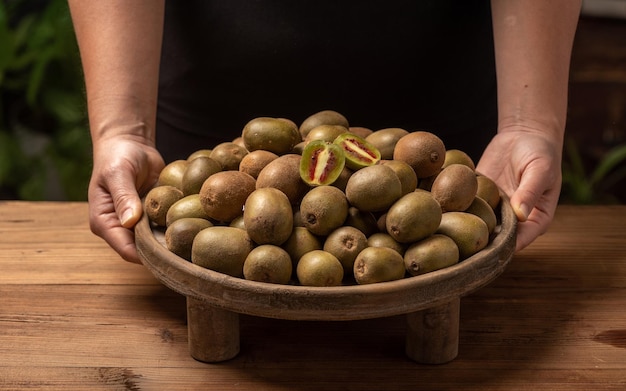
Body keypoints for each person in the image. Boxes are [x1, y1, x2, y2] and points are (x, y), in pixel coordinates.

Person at [68, 0, 582, 263]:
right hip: (212, 97)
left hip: (445, 108)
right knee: (203, 236)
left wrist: (527, 121)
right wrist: (124, 128)